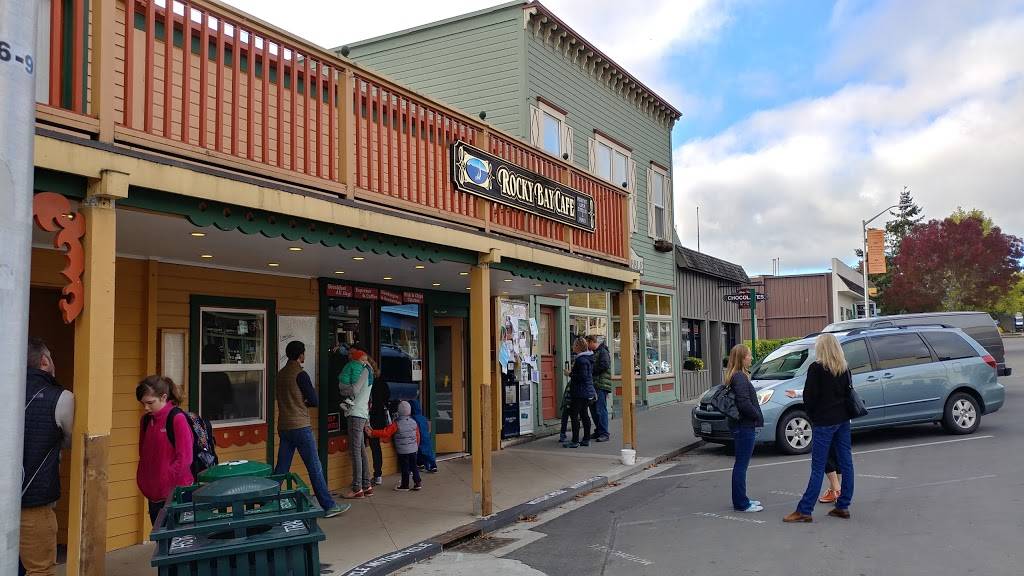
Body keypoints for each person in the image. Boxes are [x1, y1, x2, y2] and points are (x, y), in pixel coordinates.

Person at [784, 333, 855, 522]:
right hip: (843, 419)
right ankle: (843, 505)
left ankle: (805, 509)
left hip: (824, 422)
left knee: (818, 466)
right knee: (846, 463)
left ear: (821, 348)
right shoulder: (844, 367)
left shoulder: (816, 368)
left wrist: (813, 416)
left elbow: (809, 397)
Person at [274, 341, 347, 518]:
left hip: (284, 425)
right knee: (315, 467)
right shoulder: (300, 374)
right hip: (300, 426)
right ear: (301, 355)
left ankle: (268, 501)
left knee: (282, 468)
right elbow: (314, 400)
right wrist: (303, 402)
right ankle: (328, 505)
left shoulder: (280, 374)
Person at [20, 338, 74, 576]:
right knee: (40, 570)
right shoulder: (61, 398)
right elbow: (69, 440)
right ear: (44, 361)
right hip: (34, 501)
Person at [136, 375, 194, 527]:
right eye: (143, 403)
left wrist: (167, 479)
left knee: (175, 537)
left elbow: (185, 458)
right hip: (154, 494)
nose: (146, 408)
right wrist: (144, 480)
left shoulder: (177, 418)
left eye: (150, 403)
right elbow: (143, 453)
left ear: (163, 397)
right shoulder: (146, 421)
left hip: (176, 494)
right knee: (159, 535)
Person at [786, 389, 842, 503]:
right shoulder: (841, 376)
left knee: (823, 456)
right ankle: (835, 490)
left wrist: (798, 393)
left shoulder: (822, 376)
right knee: (835, 454)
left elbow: (816, 390)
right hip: (841, 417)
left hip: (825, 419)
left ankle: (836, 490)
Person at [726, 344, 764, 513]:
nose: (751, 358)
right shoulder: (740, 377)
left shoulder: (736, 376)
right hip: (744, 425)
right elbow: (743, 402)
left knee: (741, 464)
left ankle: (742, 499)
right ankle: (741, 503)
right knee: (741, 465)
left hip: (741, 425)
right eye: (749, 355)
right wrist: (756, 415)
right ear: (742, 358)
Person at [340, 348, 374, 498]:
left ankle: (357, 488)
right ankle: (366, 485)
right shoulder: (369, 371)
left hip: (355, 413)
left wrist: (343, 390)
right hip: (362, 413)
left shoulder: (364, 371)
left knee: (355, 452)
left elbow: (355, 389)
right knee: (361, 450)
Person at [365, 401, 422, 491]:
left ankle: (405, 485)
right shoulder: (414, 422)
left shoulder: (396, 424)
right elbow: (417, 436)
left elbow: (386, 433)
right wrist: (416, 446)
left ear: (398, 411)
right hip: (413, 450)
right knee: (414, 466)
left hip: (403, 451)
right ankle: (417, 483)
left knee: (405, 468)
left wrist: (373, 433)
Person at [364, 347, 390, 486]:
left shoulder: (365, 380)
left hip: (366, 416)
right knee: (375, 447)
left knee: (361, 446)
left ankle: (363, 476)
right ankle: (377, 474)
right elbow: (387, 396)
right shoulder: (381, 381)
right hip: (378, 417)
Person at [564, 337, 595, 449]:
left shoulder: (581, 360)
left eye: (574, 345)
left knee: (574, 415)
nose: (573, 346)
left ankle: (575, 440)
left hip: (580, 392)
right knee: (584, 414)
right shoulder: (587, 358)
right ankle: (586, 439)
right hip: (586, 391)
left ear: (578, 346)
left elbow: (582, 376)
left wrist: (569, 374)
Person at [586, 335, 612, 442]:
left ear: (592, 342)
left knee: (600, 409)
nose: (587, 346)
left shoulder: (602, 351)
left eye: (587, 343)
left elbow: (604, 365)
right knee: (593, 409)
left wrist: (591, 370)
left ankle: (604, 433)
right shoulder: (595, 352)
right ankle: (599, 430)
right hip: (595, 384)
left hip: (601, 385)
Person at [409, 399, 438, 473]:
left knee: (418, 452)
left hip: (418, 437)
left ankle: (421, 464)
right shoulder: (423, 418)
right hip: (426, 437)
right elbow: (427, 428)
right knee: (428, 452)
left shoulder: (412, 419)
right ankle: (432, 465)